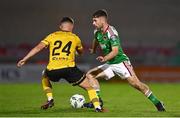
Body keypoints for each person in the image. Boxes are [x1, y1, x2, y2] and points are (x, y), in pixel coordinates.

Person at [17, 17, 103, 112]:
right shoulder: (75, 38)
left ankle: (50, 99)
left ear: (60, 26)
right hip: (69, 69)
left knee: (44, 74)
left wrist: (25, 59)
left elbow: (38, 47)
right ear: (72, 27)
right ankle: (97, 107)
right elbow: (81, 51)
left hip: (53, 70)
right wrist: (76, 52)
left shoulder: (52, 36)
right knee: (89, 87)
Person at [85, 9, 166, 112]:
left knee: (136, 84)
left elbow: (115, 51)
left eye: (95, 20)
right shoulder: (97, 31)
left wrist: (104, 58)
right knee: (90, 75)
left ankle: (158, 103)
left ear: (102, 20)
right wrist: (93, 49)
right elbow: (96, 39)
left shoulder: (111, 33)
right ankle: (98, 102)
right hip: (110, 63)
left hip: (121, 62)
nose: (93, 23)